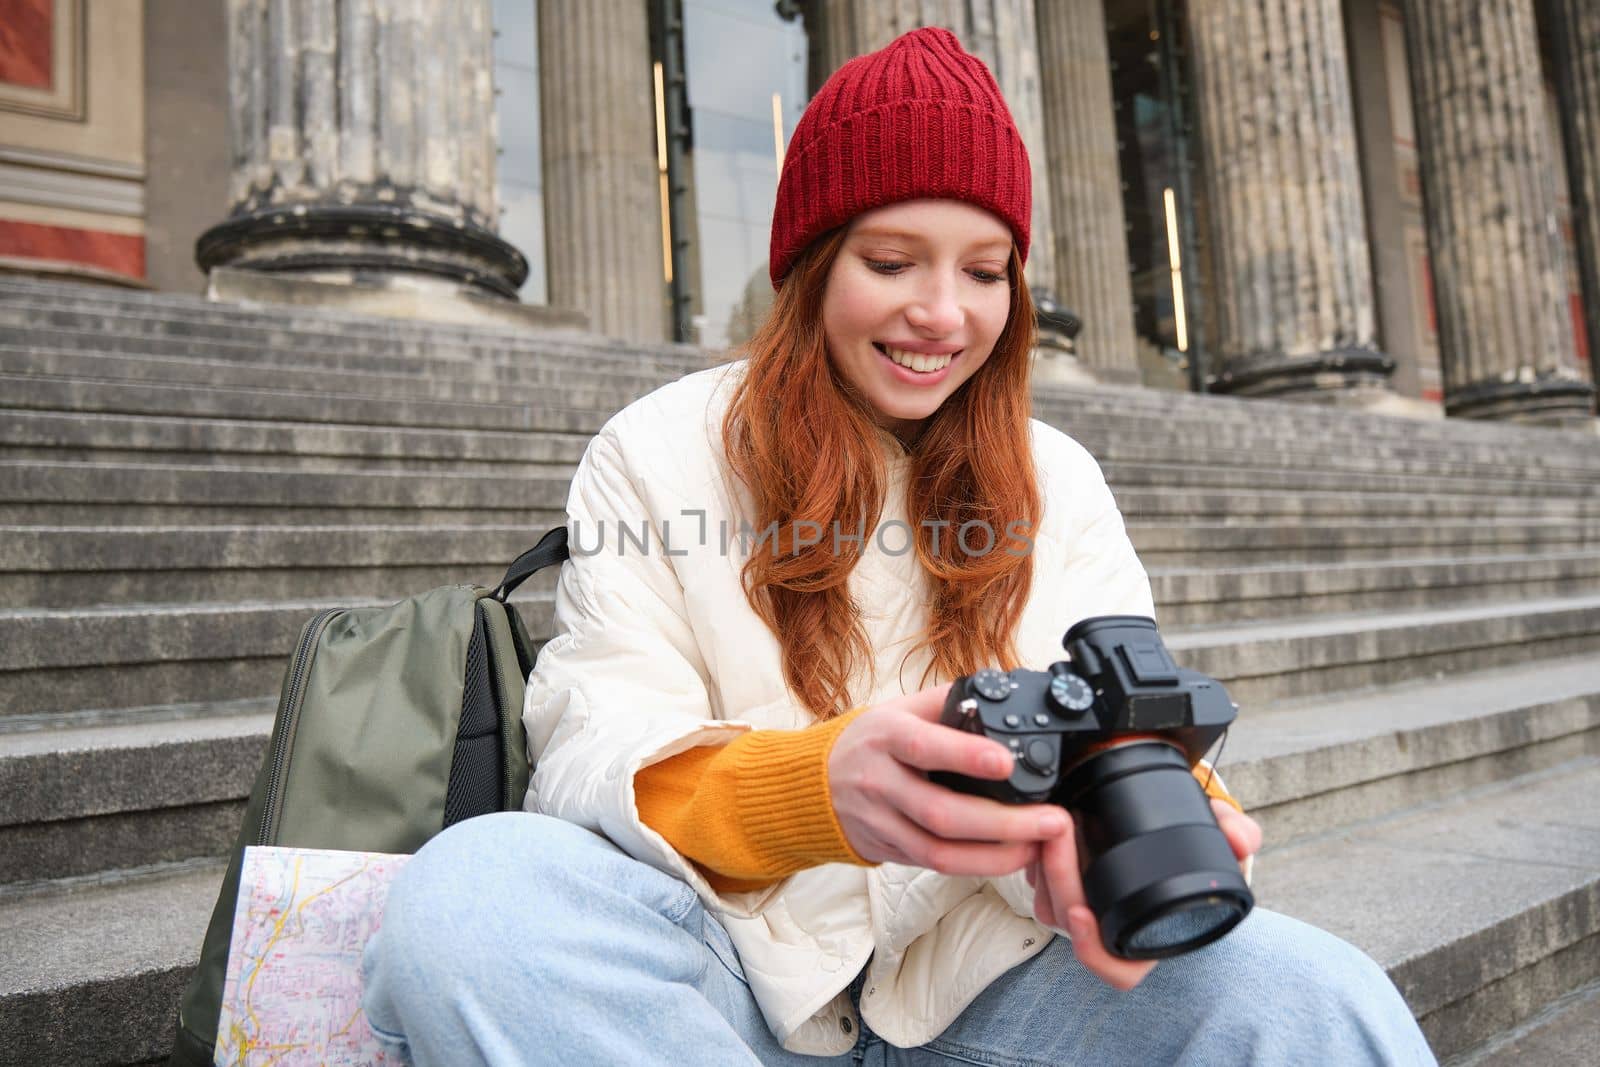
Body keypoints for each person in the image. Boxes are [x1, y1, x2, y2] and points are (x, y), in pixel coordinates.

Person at [362, 27, 1436, 1066]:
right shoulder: (655, 448)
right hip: (722, 972)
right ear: (814, 264)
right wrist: (816, 788)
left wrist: (1130, 834)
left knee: (1316, 995)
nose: (942, 314)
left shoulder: (1055, 475)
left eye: (985, 270)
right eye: (891, 260)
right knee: (475, 894)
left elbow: (1117, 717)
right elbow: (591, 751)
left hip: (995, 974)